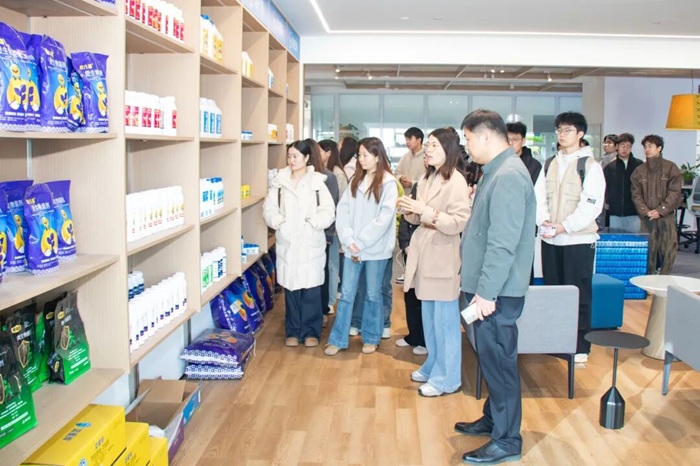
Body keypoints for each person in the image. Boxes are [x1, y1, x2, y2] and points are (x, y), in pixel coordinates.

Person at [454, 110, 535, 465]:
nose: (467, 146)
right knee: (490, 359)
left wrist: (486, 292)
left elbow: (503, 243)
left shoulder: (508, 176)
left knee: (500, 363)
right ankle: (494, 419)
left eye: (468, 139)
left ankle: (507, 439)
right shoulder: (495, 171)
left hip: (496, 293)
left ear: (486, 136)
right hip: (486, 289)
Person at [397, 128, 471, 397]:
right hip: (425, 251)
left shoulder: (456, 181)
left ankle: (447, 378)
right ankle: (433, 365)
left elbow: (458, 222)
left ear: (448, 150)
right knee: (429, 318)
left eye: (434, 145)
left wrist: (425, 211)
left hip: (442, 254)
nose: (428, 150)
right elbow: (419, 217)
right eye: (427, 145)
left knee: (445, 323)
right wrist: (409, 210)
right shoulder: (428, 177)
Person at [534, 112, 605, 364]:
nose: (562, 135)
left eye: (567, 130)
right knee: (554, 292)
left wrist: (565, 226)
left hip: (578, 241)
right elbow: (539, 197)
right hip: (550, 239)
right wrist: (543, 221)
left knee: (578, 294)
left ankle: (580, 346)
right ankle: (556, 341)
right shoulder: (549, 163)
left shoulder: (590, 166)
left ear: (580, 134)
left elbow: (591, 206)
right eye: (559, 130)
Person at [325, 137, 398, 356]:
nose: (361, 159)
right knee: (347, 294)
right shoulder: (356, 180)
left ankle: (372, 337)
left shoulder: (388, 183)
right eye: (359, 155)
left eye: (366, 155)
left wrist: (361, 241)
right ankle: (338, 339)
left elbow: (384, 218)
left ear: (377, 156)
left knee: (373, 294)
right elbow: (343, 211)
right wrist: (349, 239)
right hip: (352, 249)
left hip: (375, 250)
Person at [263, 140, 336, 347]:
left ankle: (311, 332)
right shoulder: (280, 182)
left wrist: (314, 223)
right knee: (291, 289)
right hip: (288, 242)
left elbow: (329, 211)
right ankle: (293, 331)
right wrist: (279, 222)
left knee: (311, 289)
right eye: (289, 156)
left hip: (310, 241)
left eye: (295, 156)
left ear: (306, 158)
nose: (291, 160)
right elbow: (269, 209)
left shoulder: (317, 182)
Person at [631, 135, 682, 274]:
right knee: (648, 250)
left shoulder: (671, 168)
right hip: (647, 217)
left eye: (650, 146)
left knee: (668, 249)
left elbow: (675, 192)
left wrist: (660, 210)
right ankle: (649, 279)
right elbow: (636, 194)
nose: (647, 149)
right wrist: (645, 211)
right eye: (645, 147)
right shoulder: (639, 171)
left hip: (666, 216)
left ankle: (663, 278)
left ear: (659, 148)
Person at [395, 155, 429, 356]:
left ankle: (425, 339)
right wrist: (405, 243)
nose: (427, 157)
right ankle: (413, 335)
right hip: (412, 248)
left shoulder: (447, 183)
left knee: (425, 296)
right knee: (411, 294)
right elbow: (407, 216)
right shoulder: (420, 183)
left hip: (429, 250)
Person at [306, 139, 340, 327]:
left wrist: (327, 235)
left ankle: (323, 309)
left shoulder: (328, 177)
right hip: (302, 236)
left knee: (322, 273)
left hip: (322, 234)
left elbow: (331, 209)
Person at [319, 139, 349, 315]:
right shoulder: (325, 172)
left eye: (319, 151)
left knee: (332, 264)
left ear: (328, 153)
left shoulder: (336, 174)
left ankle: (330, 301)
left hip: (334, 226)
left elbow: (341, 203)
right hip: (329, 226)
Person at [603, 132, 643, 233]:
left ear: (631, 148)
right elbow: (606, 188)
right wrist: (608, 201)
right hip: (615, 212)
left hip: (634, 211)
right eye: (622, 146)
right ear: (617, 147)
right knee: (616, 239)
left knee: (634, 239)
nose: (625, 149)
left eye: (628, 146)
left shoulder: (639, 166)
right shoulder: (609, 167)